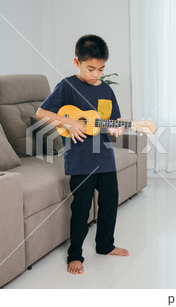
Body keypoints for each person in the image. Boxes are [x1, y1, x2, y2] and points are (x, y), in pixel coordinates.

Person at [36, 34, 129, 275]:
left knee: (110, 204)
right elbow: (41, 112)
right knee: (81, 209)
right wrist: (68, 122)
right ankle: (75, 255)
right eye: (91, 68)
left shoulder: (107, 90)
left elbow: (114, 120)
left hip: (105, 158)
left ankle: (105, 245)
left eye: (101, 69)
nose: (96, 74)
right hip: (80, 161)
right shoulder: (67, 86)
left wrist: (117, 128)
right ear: (76, 62)